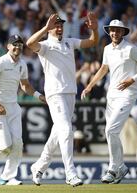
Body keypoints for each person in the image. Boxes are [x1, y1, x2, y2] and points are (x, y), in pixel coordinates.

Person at [26, 12, 99, 187]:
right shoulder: (45, 46)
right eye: (56, 26)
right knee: (66, 130)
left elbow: (92, 42)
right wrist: (45, 28)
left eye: (60, 26)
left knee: (57, 134)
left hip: (70, 93)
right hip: (55, 93)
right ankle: (70, 173)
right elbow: (29, 43)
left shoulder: (69, 42)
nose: (59, 28)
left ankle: (38, 167)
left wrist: (95, 30)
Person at [81, 19, 137, 184]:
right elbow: (103, 69)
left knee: (110, 131)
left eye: (118, 30)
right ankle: (121, 167)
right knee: (111, 132)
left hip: (127, 94)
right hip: (111, 95)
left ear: (123, 32)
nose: (114, 33)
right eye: (112, 30)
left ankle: (113, 168)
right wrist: (90, 86)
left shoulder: (131, 49)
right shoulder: (107, 49)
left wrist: (132, 79)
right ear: (109, 32)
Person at [0, 35, 45, 185]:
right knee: (5, 145)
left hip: (13, 107)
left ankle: (7, 177)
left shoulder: (22, 64)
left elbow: (25, 86)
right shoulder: (0, 62)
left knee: (17, 144)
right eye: (14, 45)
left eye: (20, 45)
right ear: (8, 46)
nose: (17, 47)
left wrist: (38, 95)